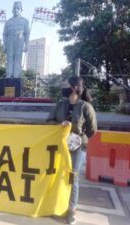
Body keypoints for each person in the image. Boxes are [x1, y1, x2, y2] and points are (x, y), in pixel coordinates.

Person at [46, 76, 97, 225]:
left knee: (72, 177)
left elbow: (92, 130)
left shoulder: (85, 107)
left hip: (78, 148)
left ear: (75, 88)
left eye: (66, 84)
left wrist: (79, 140)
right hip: (60, 146)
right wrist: (59, 124)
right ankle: (59, 206)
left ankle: (71, 209)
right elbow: (48, 121)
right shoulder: (60, 105)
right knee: (58, 175)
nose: (63, 86)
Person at [3, 1, 30, 78]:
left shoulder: (25, 21)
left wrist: (26, 44)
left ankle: (16, 76)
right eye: (14, 8)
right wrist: (4, 45)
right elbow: (4, 34)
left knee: (17, 58)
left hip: (19, 40)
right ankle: (8, 75)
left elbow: (27, 34)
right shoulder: (8, 22)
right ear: (12, 10)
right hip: (10, 41)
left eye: (18, 8)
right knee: (10, 58)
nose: (16, 10)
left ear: (21, 10)